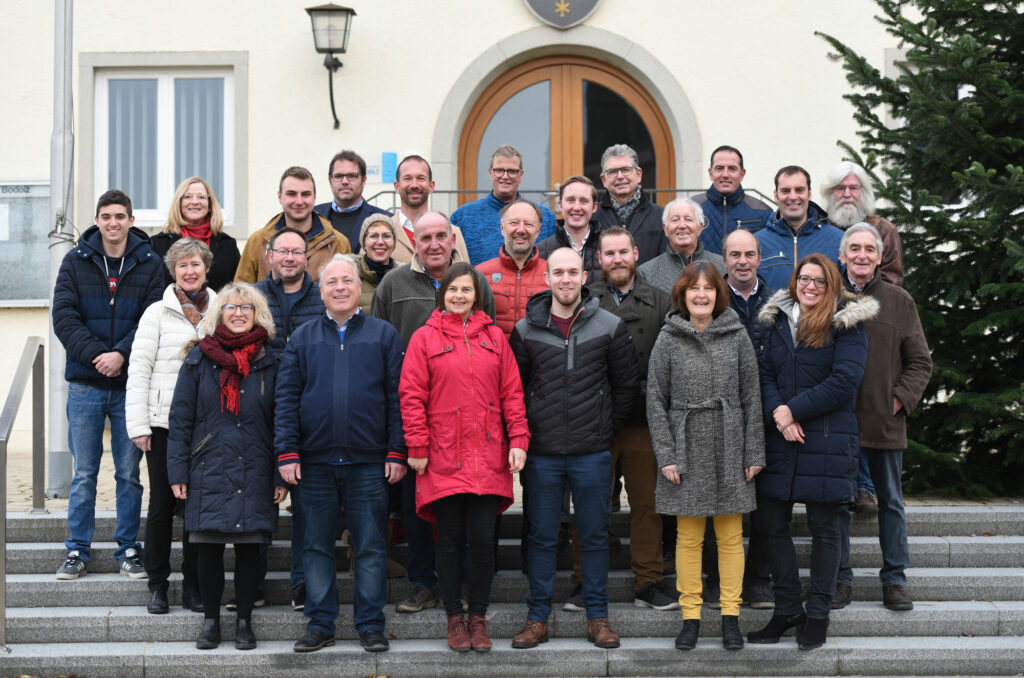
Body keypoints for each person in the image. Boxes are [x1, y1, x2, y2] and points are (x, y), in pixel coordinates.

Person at [275, 255, 407, 654]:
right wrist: (286, 452)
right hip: (313, 462)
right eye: (331, 281)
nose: (340, 288)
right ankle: (320, 623)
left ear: (357, 287)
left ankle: (370, 624)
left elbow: (397, 398)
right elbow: (286, 398)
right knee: (315, 545)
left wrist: (397, 450)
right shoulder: (302, 337)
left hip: (369, 462)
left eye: (347, 280)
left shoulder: (383, 335)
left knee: (370, 545)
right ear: (321, 290)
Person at [509, 248, 640, 650]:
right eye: (558, 272)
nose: (565, 279)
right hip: (543, 453)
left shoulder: (610, 326)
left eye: (572, 272)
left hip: (592, 451)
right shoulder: (525, 329)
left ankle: (597, 617)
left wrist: (603, 430)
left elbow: (626, 387)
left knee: (595, 535)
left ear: (585, 276)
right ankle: (537, 617)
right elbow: (516, 390)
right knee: (543, 534)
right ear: (546, 279)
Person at [400, 261, 530, 652]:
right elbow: (411, 396)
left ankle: (478, 619)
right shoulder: (424, 337)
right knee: (450, 539)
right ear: (443, 294)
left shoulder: (494, 337)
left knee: (482, 538)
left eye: (467, 290)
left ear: (477, 295)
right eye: (453, 290)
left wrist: (519, 439)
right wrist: (418, 446)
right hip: (442, 455)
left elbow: (512, 393)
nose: (459, 296)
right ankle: (454, 619)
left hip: (488, 454)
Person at [749, 254, 877, 651]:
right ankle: (788, 608)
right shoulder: (776, 321)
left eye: (820, 281)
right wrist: (779, 416)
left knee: (825, 530)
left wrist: (794, 410)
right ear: (794, 281)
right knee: (771, 525)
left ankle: (817, 613)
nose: (810, 286)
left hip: (827, 439)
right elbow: (765, 372)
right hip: (781, 437)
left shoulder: (847, 324)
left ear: (832, 285)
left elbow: (845, 381)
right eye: (804, 279)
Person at [371, 211, 495, 614]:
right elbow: (379, 344)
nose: (435, 243)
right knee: (416, 504)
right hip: (414, 416)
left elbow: (488, 337)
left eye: (442, 235)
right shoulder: (393, 283)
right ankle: (423, 582)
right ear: (415, 241)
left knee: (463, 507)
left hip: (469, 422)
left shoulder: (472, 281)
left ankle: (460, 583)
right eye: (426, 238)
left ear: (453, 237)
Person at [647, 261, 765, 651]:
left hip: (730, 440)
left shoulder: (737, 335)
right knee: (688, 536)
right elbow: (655, 401)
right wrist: (666, 454)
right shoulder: (668, 337)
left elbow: (752, 397)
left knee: (731, 536)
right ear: (682, 295)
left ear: (718, 294)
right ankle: (691, 617)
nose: (701, 295)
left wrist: (753, 451)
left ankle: (730, 617)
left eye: (709, 289)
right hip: (685, 444)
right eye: (694, 289)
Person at [166, 283, 287, 651]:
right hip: (209, 465)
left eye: (246, 308)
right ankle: (212, 621)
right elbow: (181, 418)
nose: (238, 313)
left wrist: (281, 471)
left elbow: (283, 419)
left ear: (257, 314)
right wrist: (177, 472)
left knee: (251, 548)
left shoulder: (270, 360)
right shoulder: (198, 359)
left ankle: (245, 622)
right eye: (231, 307)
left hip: (256, 465)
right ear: (219, 312)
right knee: (209, 549)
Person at [52, 189, 163, 581]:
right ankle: (77, 550)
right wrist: (101, 356)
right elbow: (64, 317)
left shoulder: (150, 263)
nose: (113, 223)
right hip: (86, 384)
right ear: (97, 220)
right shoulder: (75, 261)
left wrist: (122, 356)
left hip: (131, 387)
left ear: (131, 220)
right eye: (105, 216)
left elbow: (153, 319)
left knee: (129, 473)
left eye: (120, 216)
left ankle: (127, 548)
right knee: (84, 472)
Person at [573, 226, 675, 611]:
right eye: (608, 253)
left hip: (642, 419)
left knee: (647, 505)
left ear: (635, 254)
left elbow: (670, 361)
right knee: (591, 503)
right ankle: (584, 581)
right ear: (598, 259)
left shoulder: (663, 302)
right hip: (593, 419)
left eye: (623, 252)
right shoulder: (584, 302)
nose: (616, 259)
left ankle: (648, 581)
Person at [833, 223, 932, 612]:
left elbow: (920, 362)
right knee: (838, 504)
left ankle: (894, 580)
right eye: (853, 248)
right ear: (842, 255)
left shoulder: (899, 301)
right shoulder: (825, 295)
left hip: (884, 422)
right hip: (837, 423)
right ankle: (840, 580)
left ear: (879, 256)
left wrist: (898, 401)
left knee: (890, 502)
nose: (861, 255)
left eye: (869, 249)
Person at [126, 238, 215, 615]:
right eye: (182, 266)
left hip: (207, 427)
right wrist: (138, 425)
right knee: (162, 505)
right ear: (173, 270)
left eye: (195, 264)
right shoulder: (155, 314)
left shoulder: (221, 310)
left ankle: (192, 583)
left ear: (206, 268)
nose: (190, 271)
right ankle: (158, 585)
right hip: (162, 425)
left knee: (195, 508)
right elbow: (139, 370)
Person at [252, 226, 326, 611]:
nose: (290, 259)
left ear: (307, 257)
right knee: (262, 500)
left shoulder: (323, 296)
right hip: (262, 411)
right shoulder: (254, 297)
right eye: (283, 252)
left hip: (312, 412)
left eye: (297, 252)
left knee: (306, 507)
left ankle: (302, 586)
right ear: (270, 255)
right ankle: (255, 585)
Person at [721, 228, 776, 609]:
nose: (743, 261)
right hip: (719, 413)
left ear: (759, 258)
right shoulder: (709, 297)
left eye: (749, 254)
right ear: (722, 259)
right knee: (718, 498)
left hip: (768, 411)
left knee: (766, 505)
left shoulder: (779, 301)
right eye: (735, 254)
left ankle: (758, 580)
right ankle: (716, 578)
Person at [235, 166, 351, 283]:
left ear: (314, 198)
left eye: (305, 194)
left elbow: (348, 290)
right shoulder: (257, 241)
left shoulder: (339, 243)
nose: (299, 201)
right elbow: (241, 293)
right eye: (291, 194)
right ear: (280, 197)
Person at [452, 144, 556, 265]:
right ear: (490, 172)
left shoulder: (546, 218)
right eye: (499, 170)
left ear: (521, 175)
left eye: (512, 171)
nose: (505, 176)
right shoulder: (462, 217)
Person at [755, 166, 843, 290]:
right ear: (776, 195)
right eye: (785, 191)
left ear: (809, 194)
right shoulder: (757, 243)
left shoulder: (838, 239)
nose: (792, 196)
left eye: (799, 190)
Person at [150, 176, 240, 292]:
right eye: (187, 197)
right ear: (179, 203)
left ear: (209, 204)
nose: (194, 202)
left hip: (215, 309)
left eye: (201, 197)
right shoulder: (158, 244)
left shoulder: (228, 245)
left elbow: (237, 287)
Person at [822, 161, 904, 286]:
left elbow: (891, 283)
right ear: (830, 193)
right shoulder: (820, 229)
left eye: (853, 188)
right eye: (840, 188)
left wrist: (857, 303)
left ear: (864, 192)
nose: (847, 194)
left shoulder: (884, 231)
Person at [476, 199, 548, 337]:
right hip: (495, 356)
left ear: (538, 231)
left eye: (528, 224)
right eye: (514, 223)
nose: (521, 230)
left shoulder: (552, 275)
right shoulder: (479, 274)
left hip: (537, 358)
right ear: (502, 228)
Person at [388, 155, 470, 264]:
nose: (414, 185)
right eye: (407, 178)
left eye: (421, 179)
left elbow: (464, 276)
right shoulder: (383, 233)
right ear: (396, 186)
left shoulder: (453, 232)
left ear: (431, 186)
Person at [691, 145, 772, 255]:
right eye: (719, 168)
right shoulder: (690, 209)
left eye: (732, 169)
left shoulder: (762, 212)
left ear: (742, 174)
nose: (725, 175)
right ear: (711, 173)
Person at [593, 144, 665, 263]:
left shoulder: (661, 217)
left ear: (638, 174)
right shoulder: (592, 219)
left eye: (626, 170)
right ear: (604, 180)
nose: (620, 177)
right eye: (612, 172)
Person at [638, 198, 725, 295]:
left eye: (688, 219)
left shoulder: (721, 267)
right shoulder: (646, 273)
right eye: (675, 220)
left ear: (700, 227)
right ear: (665, 229)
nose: (682, 225)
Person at [313, 149, 391, 254]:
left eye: (352, 176)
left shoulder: (385, 219)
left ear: (364, 180)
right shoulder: (313, 216)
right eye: (338, 176)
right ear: (330, 180)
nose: (345, 181)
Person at [537, 175, 603, 280]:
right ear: (560, 205)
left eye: (583, 201)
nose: (577, 208)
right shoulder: (540, 251)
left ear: (594, 207)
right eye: (570, 200)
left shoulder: (608, 249)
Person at [356, 213, 398, 313]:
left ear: (394, 243)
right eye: (373, 236)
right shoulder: (350, 277)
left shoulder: (404, 278)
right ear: (364, 243)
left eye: (386, 236)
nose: (380, 242)